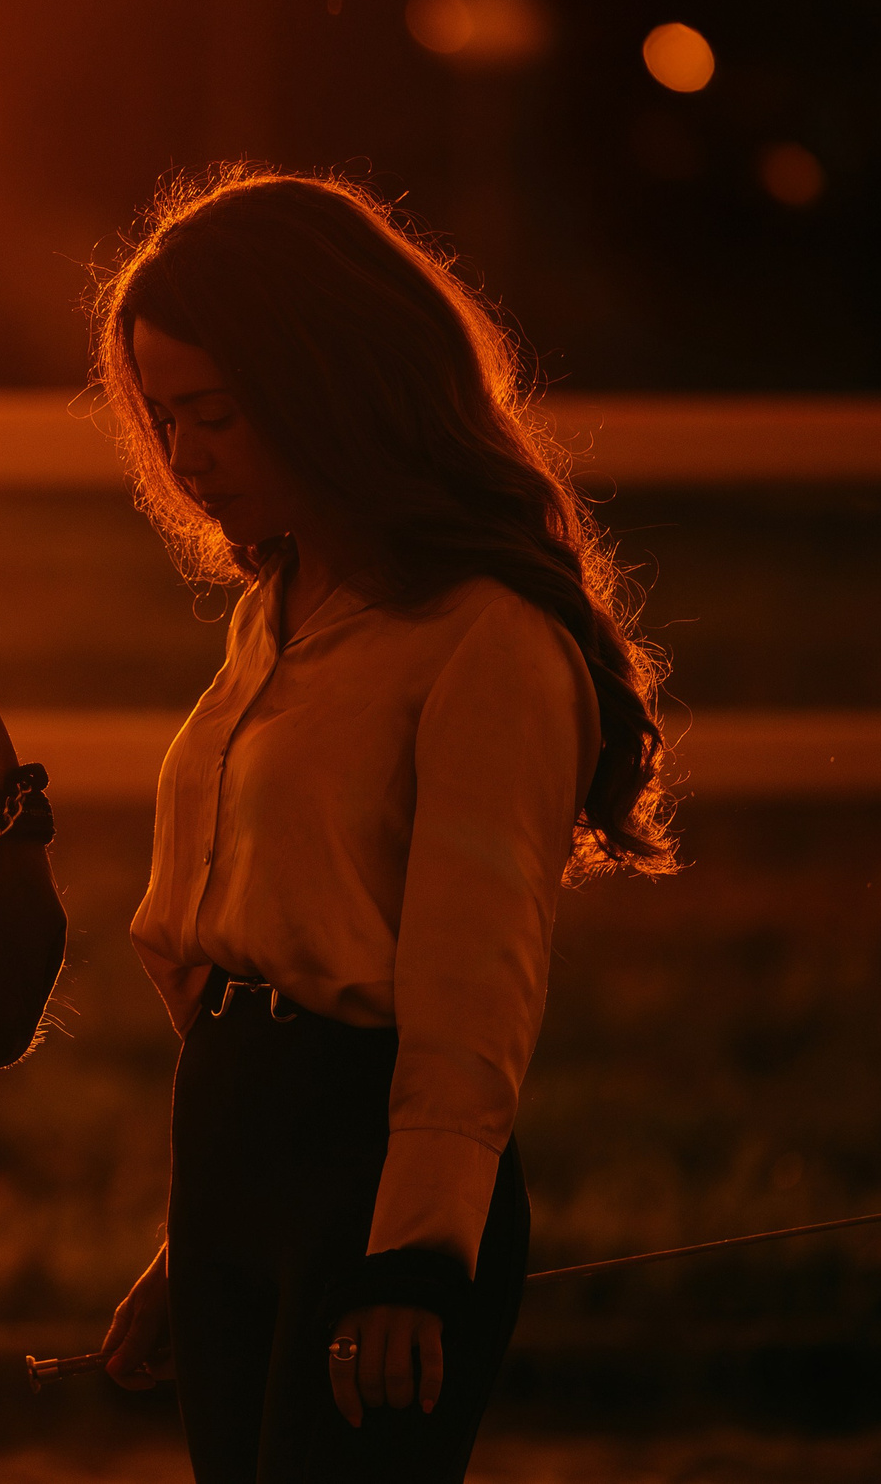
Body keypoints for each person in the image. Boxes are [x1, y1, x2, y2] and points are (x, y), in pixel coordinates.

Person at [92, 169, 675, 1481]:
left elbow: (476, 976)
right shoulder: (276, 611)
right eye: (163, 417)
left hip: (375, 1157)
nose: (183, 461)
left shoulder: (486, 638)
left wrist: (415, 1257)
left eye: (217, 416)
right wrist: (196, 1242)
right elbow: (252, 930)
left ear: (330, 389)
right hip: (230, 1138)